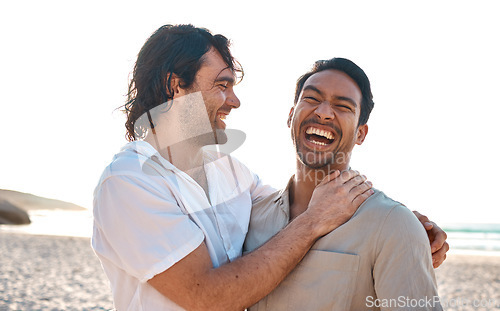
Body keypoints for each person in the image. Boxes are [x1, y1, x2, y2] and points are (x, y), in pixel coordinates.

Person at [91, 24, 447, 310]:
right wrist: (313, 222)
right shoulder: (130, 182)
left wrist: (405, 230)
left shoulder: (229, 173)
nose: (235, 100)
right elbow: (206, 297)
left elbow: (288, 204)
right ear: (176, 87)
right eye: (222, 86)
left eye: (341, 106)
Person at [244, 58, 445, 310]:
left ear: (361, 134)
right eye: (312, 99)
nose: (324, 112)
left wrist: (405, 227)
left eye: (343, 106)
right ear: (290, 116)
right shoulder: (249, 217)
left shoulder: (394, 224)